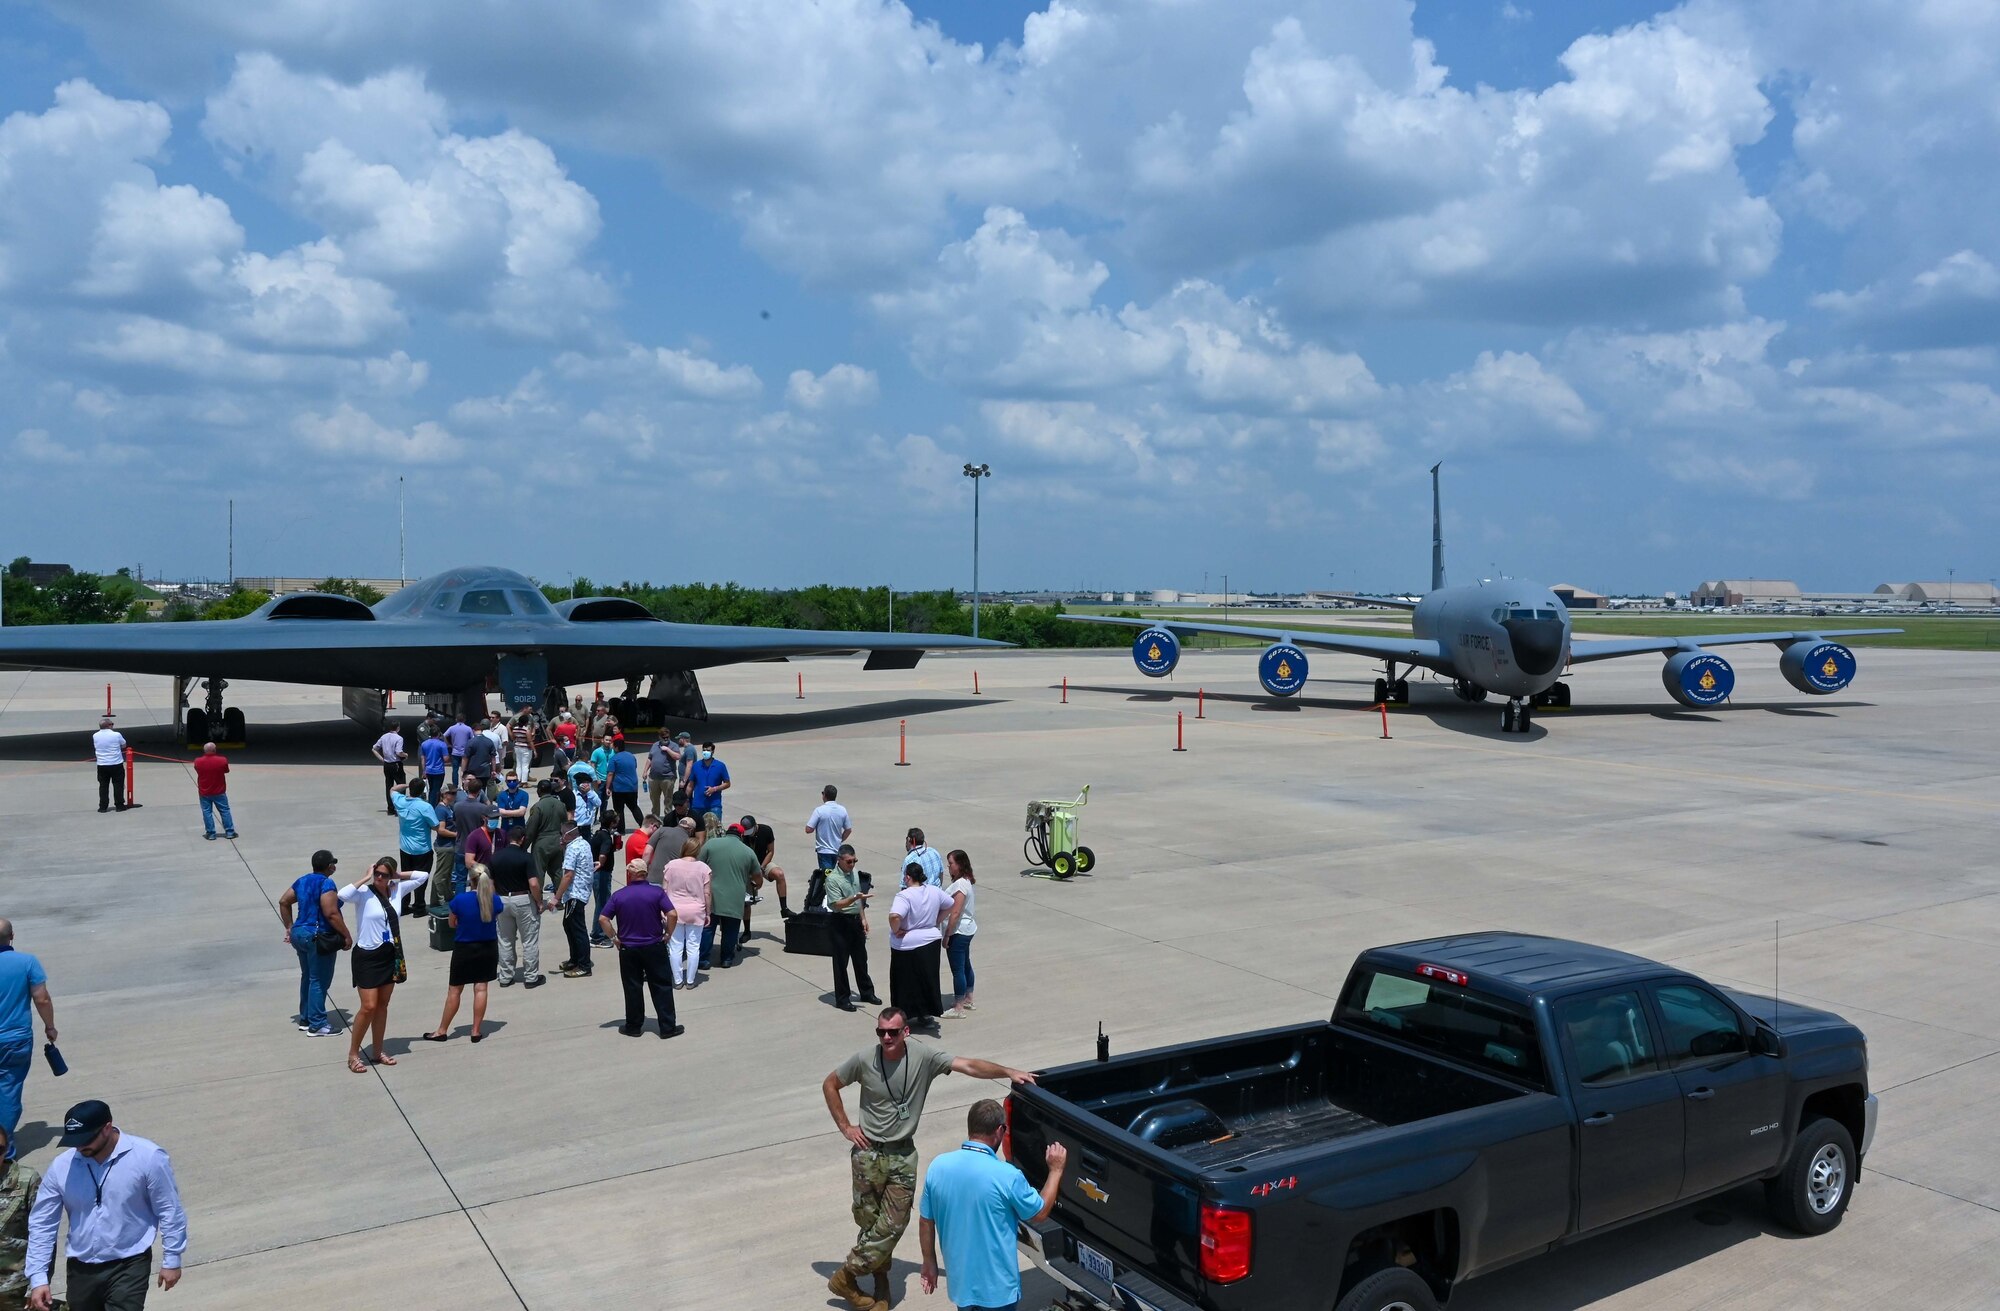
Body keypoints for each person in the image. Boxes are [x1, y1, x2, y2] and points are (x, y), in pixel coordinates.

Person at [819, 1012, 1036, 1311]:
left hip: (902, 1154)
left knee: (893, 1225)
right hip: (867, 1152)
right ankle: (881, 1286)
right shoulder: (864, 1059)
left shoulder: (924, 1056)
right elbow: (830, 1084)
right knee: (870, 1224)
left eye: (892, 1033)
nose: (886, 1038)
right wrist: (846, 1128)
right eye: (880, 1032)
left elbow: (968, 1065)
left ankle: (846, 1275)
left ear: (906, 1031)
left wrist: (1008, 1071)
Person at [24, 1100, 187, 1311]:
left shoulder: (148, 1157)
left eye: (86, 1139)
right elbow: (42, 1224)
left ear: (107, 1128)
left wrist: (172, 1259)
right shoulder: (61, 1166)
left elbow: (169, 1210)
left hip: (129, 1263)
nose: (80, 1146)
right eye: (74, 1141)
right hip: (81, 1267)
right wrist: (38, 1277)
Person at [919, 1101, 1067, 1311]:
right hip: (998, 1293)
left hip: (961, 1288)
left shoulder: (938, 1167)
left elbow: (926, 1220)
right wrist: (1056, 1170)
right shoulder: (1008, 1176)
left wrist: (929, 1262)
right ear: (999, 1130)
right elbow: (1040, 1212)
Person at [339, 857, 428, 1074]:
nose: (380, 878)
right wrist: (366, 877)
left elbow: (423, 876)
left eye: (384, 874)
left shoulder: (397, 889)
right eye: (377, 873)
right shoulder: (363, 894)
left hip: (389, 954)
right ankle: (353, 1054)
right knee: (368, 1006)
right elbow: (342, 895)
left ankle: (378, 1051)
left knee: (382, 1005)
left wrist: (398, 876)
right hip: (367, 956)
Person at [599, 860, 684, 1038]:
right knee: (661, 986)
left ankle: (633, 1026)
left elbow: (603, 919)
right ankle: (667, 1027)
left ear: (630, 874)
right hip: (654, 946)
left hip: (629, 948)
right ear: (645, 873)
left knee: (632, 987)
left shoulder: (619, 895)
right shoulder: (656, 892)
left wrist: (614, 938)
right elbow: (673, 914)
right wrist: (668, 933)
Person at [424, 865, 502, 1043]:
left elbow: (452, 924)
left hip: (464, 948)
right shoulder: (494, 900)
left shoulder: (459, 900)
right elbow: (494, 915)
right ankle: (475, 1031)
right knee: (481, 988)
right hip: (488, 947)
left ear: (471, 880)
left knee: (455, 990)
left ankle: (442, 1030)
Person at [0, 920, 55, 1160]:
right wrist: (50, 1027)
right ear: (12, 936)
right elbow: (41, 999)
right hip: (15, 1039)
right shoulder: (27, 962)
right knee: (9, 1091)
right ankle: (4, 1148)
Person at [278, 851, 348, 1037]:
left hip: (299, 934)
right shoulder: (327, 883)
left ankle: (306, 1019)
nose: (334, 866)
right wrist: (346, 936)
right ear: (328, 867)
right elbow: (331, 913)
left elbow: (284, 901)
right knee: (319, 980)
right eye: (333, 863)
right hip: (317, 937)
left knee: (308, 976)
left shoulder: (302, 881)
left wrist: (289, 927)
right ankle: (318, 1024)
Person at [889, 863, 949, 1030]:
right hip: (930, 941)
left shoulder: (904, 896)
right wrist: (936, 920)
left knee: (904, 981)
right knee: (926, 979)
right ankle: (925, 1013)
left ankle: (904, 1014)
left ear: (908, 877)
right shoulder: (934, 890)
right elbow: (950, 904)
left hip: (906, 944)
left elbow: (895, 916)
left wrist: (897, 930)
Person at [823, 845, 880, 1012]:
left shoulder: (853, 873)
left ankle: (867, 992)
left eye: (854, 861)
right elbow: (836, 904)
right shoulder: (832, 879)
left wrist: (863, 918)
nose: (852, 864)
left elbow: (859, 900)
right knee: (841, 962)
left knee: (861, 959)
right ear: (839, 860)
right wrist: (853, 898)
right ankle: (842, 998)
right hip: (840, 922)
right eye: (849, 861)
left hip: (855, 921)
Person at [489, 828, 545, 990]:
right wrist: (539, 901)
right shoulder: (526, 857)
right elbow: (533, 883)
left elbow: (490, 883)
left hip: (502, 900)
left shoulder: (495, 857)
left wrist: (494, 901)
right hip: (523, 900)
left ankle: (505, 976)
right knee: (529, 940)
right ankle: (531, 977)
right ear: (522, 839)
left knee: (505, 940)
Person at [698, 822, 757, 970]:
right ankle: (726, 959)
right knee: (731, 929)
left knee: (708, 927)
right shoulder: (748, 851)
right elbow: (758, 876)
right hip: (734, 897)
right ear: (741, 835)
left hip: (711, 895)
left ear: (726, 832)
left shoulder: (711, 844)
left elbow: (698, 864)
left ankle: (703, 959)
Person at [661, 830, 711, 989]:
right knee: (693, 946)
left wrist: (662, 910)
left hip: (674, 910)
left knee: (675, 946)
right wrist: (708, 912)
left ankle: (677, 980)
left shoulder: (671, 865)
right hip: (696, 910)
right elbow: (707, 893)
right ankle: (690, 980)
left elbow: (663, 890)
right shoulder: (704, 868)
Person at [0, 1125, 42, 1308]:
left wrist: (38, 1284)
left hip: (15, 1286)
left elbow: (42, 1235)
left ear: (7, 1149)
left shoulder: (26, 1180)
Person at [552, 825, 594, 978]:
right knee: (568, 925)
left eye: (561, 834)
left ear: (568, 835)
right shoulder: (582, 843)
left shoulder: (572, 848)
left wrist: (556, 897)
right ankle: (575, 959)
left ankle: (584, 965)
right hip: (580, 892)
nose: (560, 837)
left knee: (577, 929)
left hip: (575, 894)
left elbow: (568, 875)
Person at [941, 851, 978, 1019]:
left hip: (959, 932)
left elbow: (955, 913)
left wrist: (947, 935)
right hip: (967, 930)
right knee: (965, 965)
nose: (948, 867)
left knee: (958, 970)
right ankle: (968, 998)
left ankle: (958, 1007)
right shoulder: (965, 881)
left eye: (951, 863)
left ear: (960, 864)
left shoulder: (961, 886)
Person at [522, 779, 568, 889]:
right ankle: (560, 899)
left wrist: (524, 847)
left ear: (538, 791)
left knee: (538, 872)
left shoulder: (538, 807)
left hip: (541, 843)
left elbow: (531, 829)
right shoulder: (561, 805)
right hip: (558, 841)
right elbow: (565, 824)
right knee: (557, 872)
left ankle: (538, 901)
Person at [191, 742, 236, 841]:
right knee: (225, 811)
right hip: (219, 791)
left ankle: (211, 833)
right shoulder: (222, 760)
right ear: (215, 750)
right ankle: (229, 832)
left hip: (204, 792)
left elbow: (197, 769)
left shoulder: (198, 761)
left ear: (204, 750)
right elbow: (226, 770)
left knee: (207, 812)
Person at [807, 785, 852, 870]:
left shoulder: (819, 810)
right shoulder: (842, 810)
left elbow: (808, 829)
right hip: (836, 849)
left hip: (824, 850)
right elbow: (848, 830)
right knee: (833, 873)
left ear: (825, 795)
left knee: (827, 876)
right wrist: (839, 840)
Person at [686, 741, 730, 830]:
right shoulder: (696, 766)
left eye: (708, 750)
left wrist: (715, 789)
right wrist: (686, 800)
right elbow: (690, 785)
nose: (705, 752)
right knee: (696, 831)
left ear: (713, 751)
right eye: (704, 750)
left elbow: (727, 783)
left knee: (715, 831)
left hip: (714, 806)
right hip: (697, 806)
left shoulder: (720, 766)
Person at [91, 717, 127, 813]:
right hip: (116, 763)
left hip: (102, 764)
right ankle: (119, 805)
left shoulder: (95, 735)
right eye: (112, 724)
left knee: (103, 785)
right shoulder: (116, 734)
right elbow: (124, 744)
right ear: (108, 726)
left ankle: (103, 806)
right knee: (118, 785)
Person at [370, 725, 407, 815]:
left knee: (389, 786)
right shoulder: (399, 738)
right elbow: (399, 752)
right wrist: (405, 755)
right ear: (398, 728)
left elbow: (374, 748)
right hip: (396, 764)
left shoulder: (384, 737)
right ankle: (401, 806)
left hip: (387, 764)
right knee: (401, 785)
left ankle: (390, 808)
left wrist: (381, 759)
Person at [607, 743, 643, 831]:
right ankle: (643, 825)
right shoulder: (631, 756)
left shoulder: (614, 758)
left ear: (616, 747)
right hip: (632, 787)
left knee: (619, 810)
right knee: (634, 807)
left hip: (619, 788)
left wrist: (608, 787)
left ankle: (621, 829)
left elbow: (610, 774)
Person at [645, 735, 678, 821]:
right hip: (654, 778)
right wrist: (645, 771)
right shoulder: (655, 745)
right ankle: (655, 819)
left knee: (668, 800)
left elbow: (677, 757)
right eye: (664, 737)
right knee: (654, 800)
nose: (666, 739)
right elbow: (650, 759)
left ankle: (668, 819)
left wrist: (668, 750)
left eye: (667, 737)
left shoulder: (673, 745)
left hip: (668, 778)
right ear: (659, 737)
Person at [463, 719, 499, 796]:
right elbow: (493, 758)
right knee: (482, 790)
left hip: (472, 771)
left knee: (472, 790)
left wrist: (463, 771)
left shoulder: (470, 742)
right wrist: (493, 770)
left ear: (473, 730)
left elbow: (465, 758)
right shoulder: (489, 741)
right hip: (485, 772)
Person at [442, 713, 474, 788]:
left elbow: (444, 735)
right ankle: (465, 785)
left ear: (456, 719)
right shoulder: (468, 728)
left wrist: (448, 744)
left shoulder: (452, 728)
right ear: (464, 720)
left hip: (455, 752)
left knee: (455, 770)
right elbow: (472, 739)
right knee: (465, 770)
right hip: (465, 753)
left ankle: (455, 785)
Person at [417, 730, 449, 803]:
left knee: (431, 789)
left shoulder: (424, 744)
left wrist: (424, 770)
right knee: (436, 790)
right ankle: (433, 805)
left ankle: (432, 803)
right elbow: (446, 758)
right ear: (438, 734)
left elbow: (423, 758)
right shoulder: (442, 744)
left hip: (428, 770)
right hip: (439, 771)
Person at [509, 711, 537, 782]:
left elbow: (513, 737)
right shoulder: (526, 730)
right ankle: (524, 782)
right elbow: (530, 741)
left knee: (518, 765)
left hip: (517, 747)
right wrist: (534, 750)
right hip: (526, 749)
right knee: (525, 766)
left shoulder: (515, 729)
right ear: (526, 722)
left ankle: (518, 780)